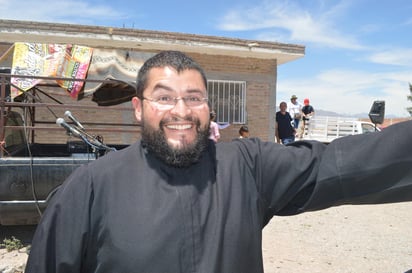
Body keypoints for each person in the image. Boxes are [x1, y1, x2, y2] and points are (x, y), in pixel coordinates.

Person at [26, 50, 412, 273]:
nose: (181, 110)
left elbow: (345, 164)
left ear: (209, 107)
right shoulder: (89, 189)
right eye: (164, 97)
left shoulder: (246, 166)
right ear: (139, 109)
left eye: (194, 97)